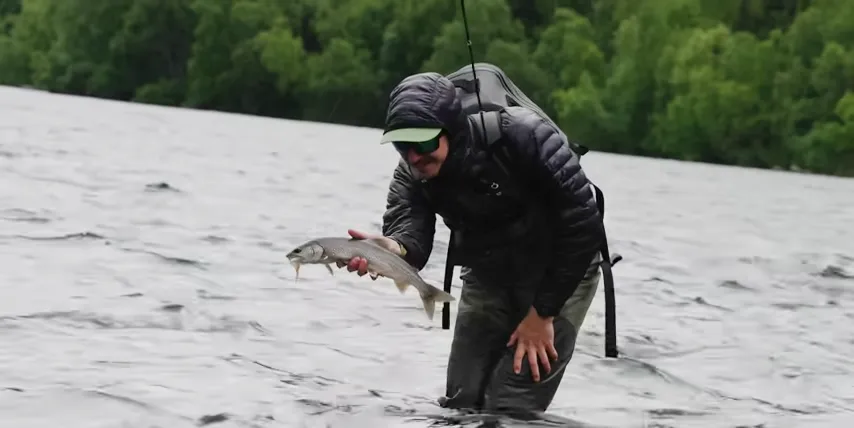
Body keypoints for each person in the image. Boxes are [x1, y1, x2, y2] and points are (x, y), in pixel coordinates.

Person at [338, 70, 606, 414]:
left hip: (563, 269)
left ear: (452, 130)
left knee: (510, 408)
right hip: (488, 269)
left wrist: (542, 315)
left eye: (423, 143)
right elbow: (411, 235)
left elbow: (584, 225)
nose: (414, 156)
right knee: (461, 404)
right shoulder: (411, 173)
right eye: (403, 146)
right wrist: (393, 250)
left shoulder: (523, 137)